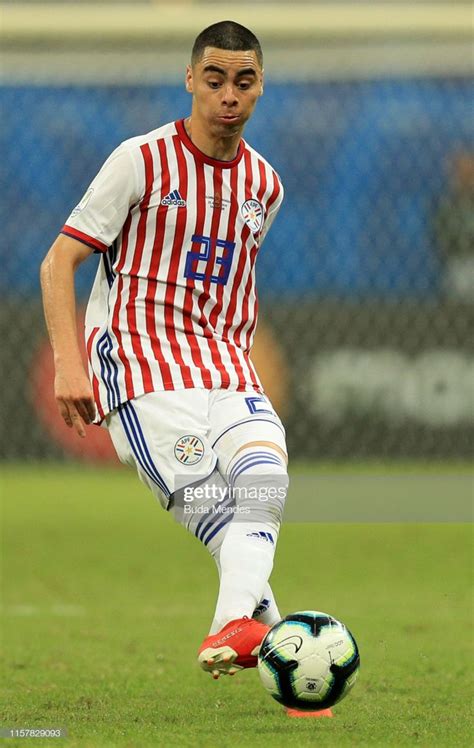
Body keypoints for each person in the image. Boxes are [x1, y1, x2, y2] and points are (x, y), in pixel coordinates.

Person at [40, 21, 288, 680]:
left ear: (261, 86)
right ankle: (277, 641)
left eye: (244, 80)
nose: (228, 95)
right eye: (214, 80)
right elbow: (59, 261)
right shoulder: (139, 160)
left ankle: (253, 635)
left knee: (266, 481)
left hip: (226, 366)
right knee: (222, 515)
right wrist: (70, 361)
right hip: (144, 372)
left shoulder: (266, 185)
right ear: (190, 81)